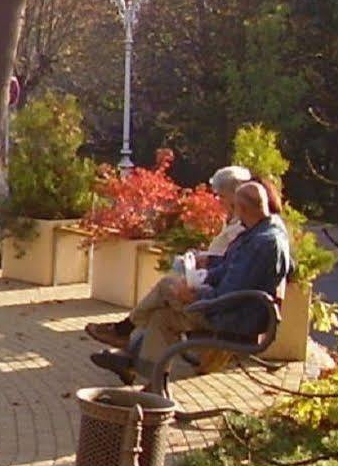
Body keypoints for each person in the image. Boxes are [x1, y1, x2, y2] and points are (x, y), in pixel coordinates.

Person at [90, 180, 292, 385]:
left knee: (167, 286)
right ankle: (152, 383)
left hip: (231, 318)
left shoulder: (262, 243)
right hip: (235, 309)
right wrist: (208, 266)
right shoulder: (265, 231)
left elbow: (231, 293)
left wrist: (196, 295)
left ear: (242, 208)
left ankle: (125, 331)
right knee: (162, 319)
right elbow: (231, 269)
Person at [84, 165, 254, 351]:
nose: (217, 200)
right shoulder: (237, 223)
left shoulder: (245, 231)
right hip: (211, 289)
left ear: (234, 196)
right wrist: (202, 259)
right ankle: (130, 352)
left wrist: (198, 286)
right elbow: (225, 262)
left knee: (165, 289)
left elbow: (229, 272)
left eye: (221, 196)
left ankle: (125, 330)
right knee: (160, 312)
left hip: (216, 304)